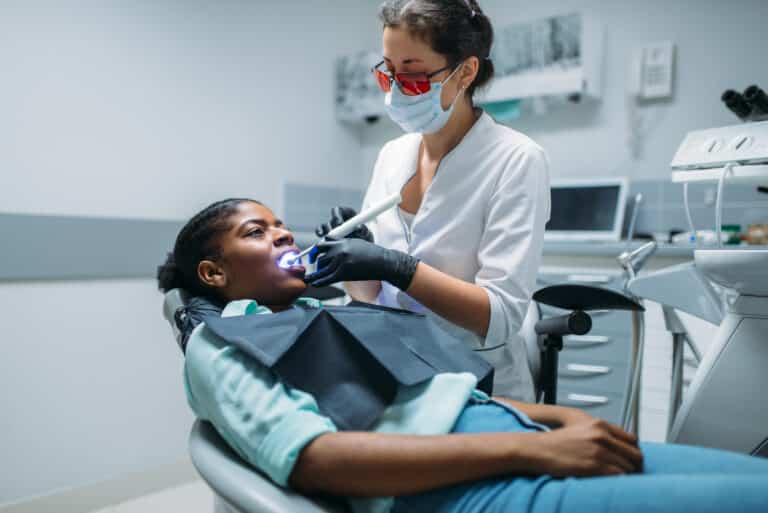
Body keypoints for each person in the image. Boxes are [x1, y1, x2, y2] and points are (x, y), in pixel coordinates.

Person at [158, 198, 768, 513]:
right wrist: (534, 447)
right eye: (256, 232)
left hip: (516, 442)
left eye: (281, 224)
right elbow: (316, 459)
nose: (283, 235)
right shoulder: (218, 346)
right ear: (213, 272)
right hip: (461, 489)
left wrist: (556, 420)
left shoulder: (312, 316)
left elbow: (430, 395)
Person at [307, 0, 549, 400]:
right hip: (396, 372)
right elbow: (368, 296)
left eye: (415, 76)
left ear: (465, 72)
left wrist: (398, 267)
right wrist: (354, 255)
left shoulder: (516, 160)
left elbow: (500, 316)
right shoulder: (393, 156)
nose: (398, 89)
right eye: (389, 74)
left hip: (479, 387)